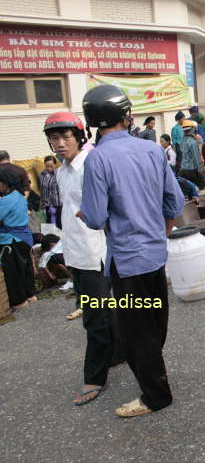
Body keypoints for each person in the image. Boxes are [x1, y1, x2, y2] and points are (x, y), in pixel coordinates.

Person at [80, 84, 184, 417]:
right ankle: (155, 372)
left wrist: (86, 213)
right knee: (154, 323)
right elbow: (175, 202)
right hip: (155, 255)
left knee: (137, 331)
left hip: (127, 261)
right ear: (127, 115)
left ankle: (156, 395)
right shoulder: (152, 150)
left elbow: (96, 217)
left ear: (94, 121)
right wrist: (158, 231)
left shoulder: (97, 158)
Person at [44, 111, 124, 404]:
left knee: (95, 317)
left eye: (66, 136)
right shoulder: (62, 170)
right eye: (55, 138)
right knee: (104, 309)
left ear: (80, 136)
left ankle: (94, 377)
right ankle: (118, 353)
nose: (61, 143)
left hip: (95, 252)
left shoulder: (92, 164)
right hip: (76, 251)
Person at [0, 168, 36, 310]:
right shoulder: (19, 195)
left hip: (11, 239)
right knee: (26, 268)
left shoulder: (7, 200)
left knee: (13, 272)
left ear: (6, 183)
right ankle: (30, 294)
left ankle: (20, 300)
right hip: (24, 237)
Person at [178, 120, 205, 189]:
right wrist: (200, 169)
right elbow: (196, 157)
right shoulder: (192, 142)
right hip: (191, 170)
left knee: (187, 188)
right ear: (193, 129)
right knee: (202, 185)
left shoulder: (182, 141)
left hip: (182, 170)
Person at [39, 155, 62, 228]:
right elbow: (42, 189)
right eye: (47, 166)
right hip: (47, 204)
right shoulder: (42, 174)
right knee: (49, 224)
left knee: (59, 224)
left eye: (51, 166)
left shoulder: (59, 174)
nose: (49, 168)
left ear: (55, 164)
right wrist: (42, 201)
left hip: (57, 204)